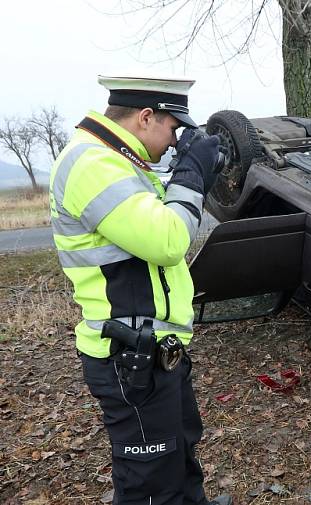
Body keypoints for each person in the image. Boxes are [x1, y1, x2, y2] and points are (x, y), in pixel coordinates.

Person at [49, 74, 231, 505]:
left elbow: (155, 223)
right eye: (173, 128)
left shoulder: (119, 161)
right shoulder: (92, 165)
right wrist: (191, 172)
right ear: (146, 117)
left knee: (180, 453)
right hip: (128, 355)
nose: (173, 142)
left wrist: (193, 177)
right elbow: (166, 240)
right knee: (150, 484)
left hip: (154, 347)